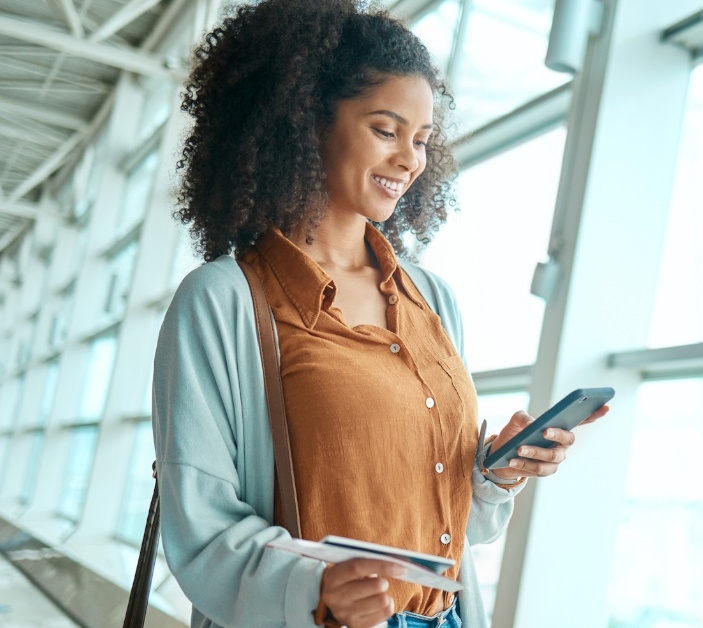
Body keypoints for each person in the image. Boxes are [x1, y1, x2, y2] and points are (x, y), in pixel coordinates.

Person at [151, 1, 607, 626]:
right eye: (386, 130)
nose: (410, 161)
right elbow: (200, 525)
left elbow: (449, 525)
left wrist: (495, 473)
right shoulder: (223, 302)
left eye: (421, 140)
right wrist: (318, 587)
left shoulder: (432, 297)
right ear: (305, 121)